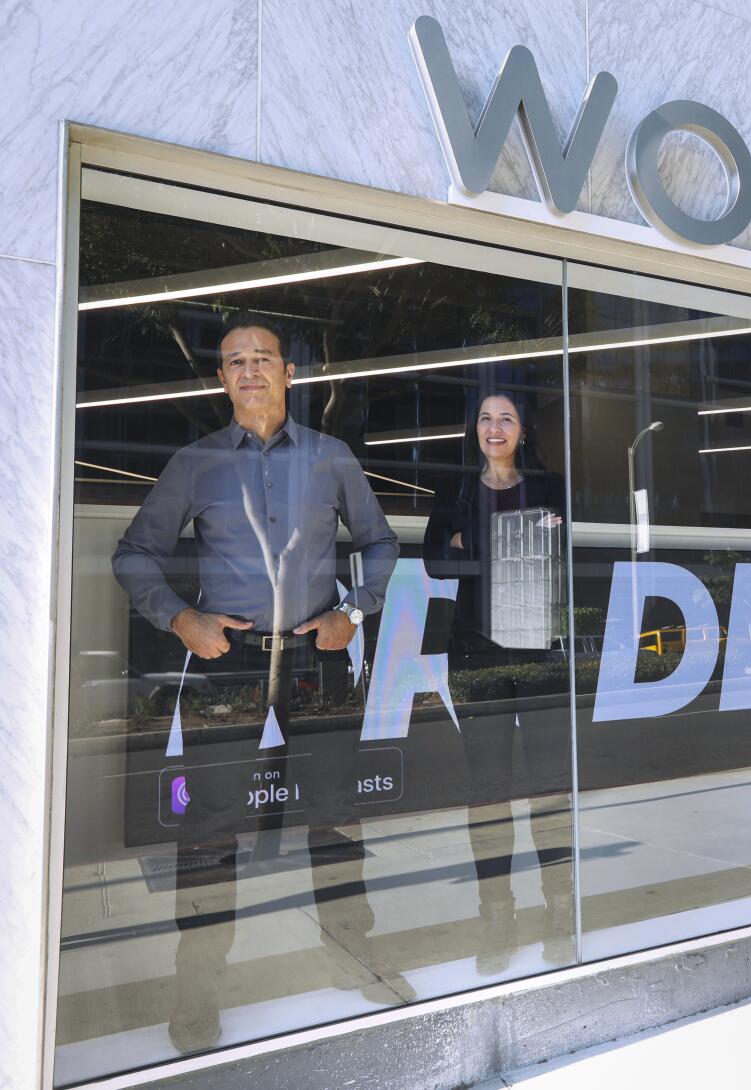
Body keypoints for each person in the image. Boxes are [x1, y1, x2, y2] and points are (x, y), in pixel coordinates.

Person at [112, 311, 403, 1052]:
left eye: (263, 358)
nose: (249, 370)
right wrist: (181, 620)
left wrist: (354, 611)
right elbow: (135, 555)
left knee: (335, 816)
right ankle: (198, 989)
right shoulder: (195, 463)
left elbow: (379, 542)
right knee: (209, 830)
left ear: (289, 373)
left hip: (316, 657)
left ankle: (356, 957)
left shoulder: (332, 457)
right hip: (228, 663)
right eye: (235, 361)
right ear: (221, 379)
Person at [422, 391, 575, 974]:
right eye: (485, 417)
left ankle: (558, 906)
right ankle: (497, 913)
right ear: (474, 428)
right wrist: (502, 542)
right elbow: (435, 560)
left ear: (523, 429)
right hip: (475, 648)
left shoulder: (551, 487)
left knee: (549, 782)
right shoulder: (456, 489)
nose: (494, 427)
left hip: (539, 643)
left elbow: (558, 550)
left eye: (505, 418)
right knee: (486, 786)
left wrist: (474, 544)